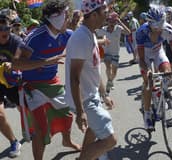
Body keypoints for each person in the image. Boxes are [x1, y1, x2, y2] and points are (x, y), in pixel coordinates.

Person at [21, 0, 81, 159]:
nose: (68, 19)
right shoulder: (35, 37)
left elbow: (85, 43)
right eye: (66, 16)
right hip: (32, 87)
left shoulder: (66, 35)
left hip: (52, 82)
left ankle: (66, 141)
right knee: (40, 129)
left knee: (67, 114)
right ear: (56, 19)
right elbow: (18, 64)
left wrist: (100, 42)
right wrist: (45, 62)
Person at [65, 0, 117, 159]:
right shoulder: (81, 38)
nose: (107, 16)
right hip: (85, 99)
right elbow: (74, 78)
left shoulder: (90, 34)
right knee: (110, 141)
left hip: (91, 96)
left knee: (93, 129)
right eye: (104, 12)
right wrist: (80, 112)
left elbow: (94, 70)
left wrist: (104, 94)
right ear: (94, 15)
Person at [136, 7, 172, 130]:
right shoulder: (141, 32)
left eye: (161, 25)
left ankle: (161, 95)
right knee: (148, 83)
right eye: (156, 27)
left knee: (168, 73)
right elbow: (140, 59)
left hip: (158, 51)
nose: (159, 30)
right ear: (150, 24)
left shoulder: (168, 29)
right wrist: (148, 70)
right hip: (144, 55)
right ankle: (147, 113)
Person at [0, 13, 23, 158]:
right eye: (0, 27)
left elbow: (23, 60)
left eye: (6, 27)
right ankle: (14, 142)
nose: (3, 31)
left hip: (14, 81)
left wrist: (14, 64)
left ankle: (31, 127)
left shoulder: (16, 41)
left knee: (24, 109)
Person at [96, 11, 131, 93]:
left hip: (115, 53)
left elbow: (128, 32)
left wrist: (120, 22)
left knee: (114, 72)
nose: (112, 23)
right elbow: (94, 32)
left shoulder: (118, 28)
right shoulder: (103, 30)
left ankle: (110, 81)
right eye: (110, 21)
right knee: (109, 67)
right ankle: (109, 81)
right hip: (106, 53)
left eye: (114, 21)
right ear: (107, 21)